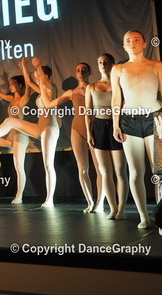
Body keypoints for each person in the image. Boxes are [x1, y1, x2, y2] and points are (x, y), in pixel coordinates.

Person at [112, 30, 162, 229]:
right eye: (128, 40)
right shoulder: (118, 69)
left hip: (154, 118)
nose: (132, 43)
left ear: (145, 43)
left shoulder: (156, 65)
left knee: (159, 171)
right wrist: (115, 124)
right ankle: (144, 216)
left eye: (136, 39)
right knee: (136, 171)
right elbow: (116, 98)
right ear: (124, 45)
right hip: (129, 120)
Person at [0, 58, 59, 207]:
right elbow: (29, 82)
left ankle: (49, 199)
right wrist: (24, 67)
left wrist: (38, 66)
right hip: (39, 127)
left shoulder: (51, 88)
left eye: (39, 75)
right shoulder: (41, 91)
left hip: (49, 128)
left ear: (46, 76)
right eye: (36, 75)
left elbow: (37, 82)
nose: (36, 77)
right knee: (10, 121)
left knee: (48, 164)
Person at [38, 62, 103, 213]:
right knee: (83, 168)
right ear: (75, 73)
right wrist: (41, 84)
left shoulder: (95, 88)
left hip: (94, 129)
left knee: (100, 169)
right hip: (77, 129)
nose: (81, 72)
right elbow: (49, 104)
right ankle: (90, 202)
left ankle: (100, 203)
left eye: (84, 70)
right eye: (78, 70)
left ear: (89, 72)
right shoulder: (71, 92)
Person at [85, 54, 128, 220]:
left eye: (106, 62)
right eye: (100, 62)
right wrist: (89, 133)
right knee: (104, 171)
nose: (103, 64)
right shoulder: (91, 86)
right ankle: (112, 207)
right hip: (99, 128)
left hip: (117, 127)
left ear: (113, 64)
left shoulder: (120, 85)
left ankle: (121, 208)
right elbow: (88, 112)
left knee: (120, 171)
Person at [0, 61, 31, 203]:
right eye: (9, 84)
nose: (10, 86)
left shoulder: (23, 99)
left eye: (13, 84)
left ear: (20, 85)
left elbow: (28, 87)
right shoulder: (11, 99)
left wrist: (24, 68)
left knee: (18, 166)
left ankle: (19, 195)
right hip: (11, 136)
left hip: (20, 135)